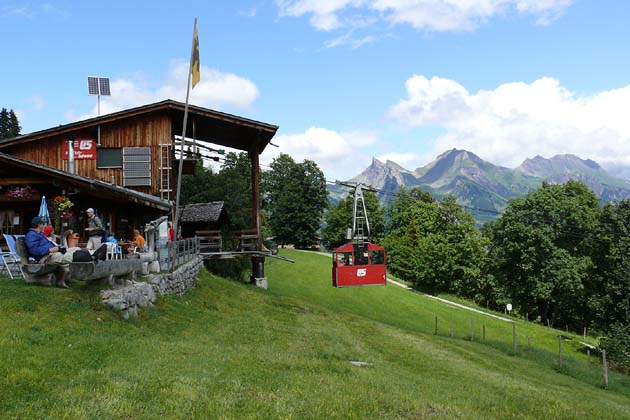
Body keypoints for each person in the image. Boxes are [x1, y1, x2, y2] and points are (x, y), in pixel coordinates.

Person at [25, 217, 78, 288]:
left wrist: (58, 248)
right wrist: (50, 250)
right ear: (39, 225)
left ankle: (63, 279)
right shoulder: (31, 235)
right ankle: (62, 280)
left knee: (75, 249)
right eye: (43, 224)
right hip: (46, 257)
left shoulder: (40, 234)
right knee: (70, 257)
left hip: (53, 253)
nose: (44, 225)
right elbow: (34, 250)